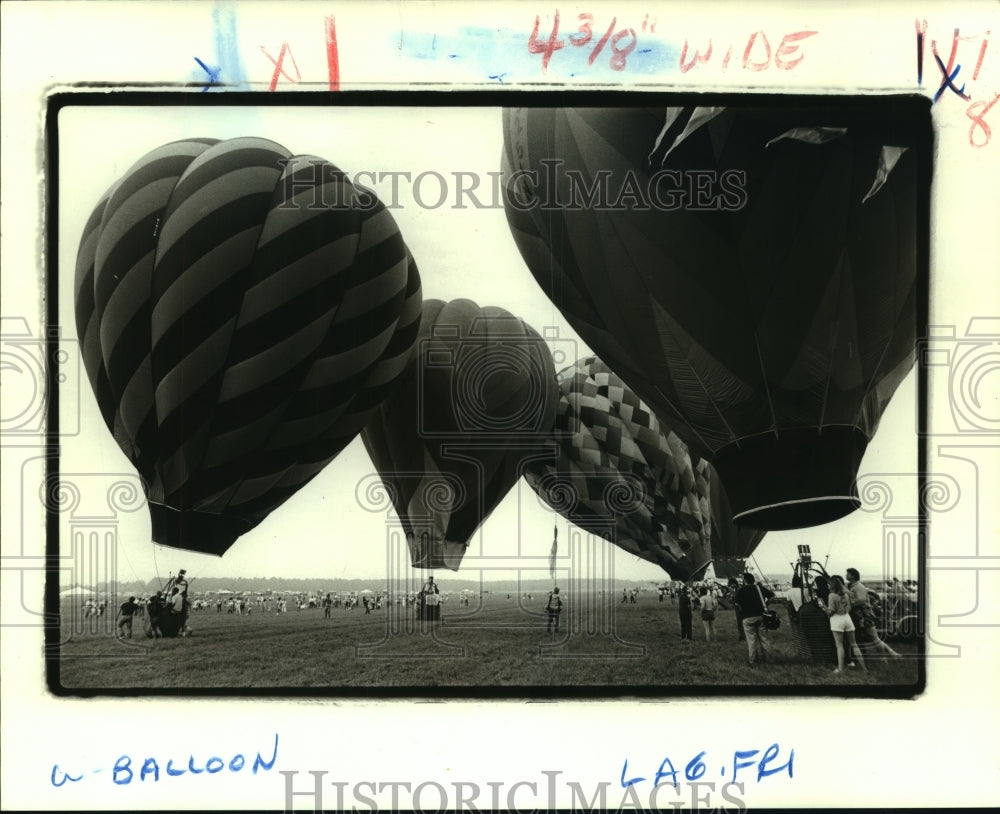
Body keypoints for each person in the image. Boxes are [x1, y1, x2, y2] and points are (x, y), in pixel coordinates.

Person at [846, 568, 901, 658]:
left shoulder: (858, 587)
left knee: (874, 638)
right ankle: (893, 653)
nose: (846, 575)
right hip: (863, 615)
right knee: (873, 637)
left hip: (865, 615)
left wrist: (851, 604)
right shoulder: (853, 586)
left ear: (853, 575)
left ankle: (884, 658)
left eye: (848, 574)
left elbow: (862, 600)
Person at [827, 575, 867, 674]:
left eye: (829, 584)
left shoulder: (831, 596)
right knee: (854, 644)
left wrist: (824, 608)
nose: (827, 585)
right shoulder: (845, 594)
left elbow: (830, 612)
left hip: (837, 619)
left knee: (839, 646)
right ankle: (864, 668)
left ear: (832, 585)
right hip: (847, 618)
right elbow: (849, 608)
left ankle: (840, 669)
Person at [735, 573, 774, 665]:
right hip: (761, 615)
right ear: (753, 580)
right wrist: (766, 604)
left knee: (751, 640)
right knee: (764, 638)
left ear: (745, 581)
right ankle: (768, 659)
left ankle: (753, 660)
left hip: (747, 617)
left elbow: (737, 603)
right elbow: (772, 596)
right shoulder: (759, 588)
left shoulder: (741, 590)